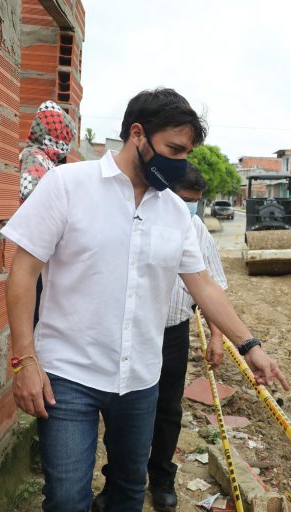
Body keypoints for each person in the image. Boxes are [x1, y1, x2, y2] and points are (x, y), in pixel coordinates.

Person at [2, 87, 288, 512]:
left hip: (138, 380)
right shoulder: (68, 186)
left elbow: (203, 285)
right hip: (67, 374)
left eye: (185, 153)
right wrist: (24, 360)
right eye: (173, 149)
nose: (179, 162)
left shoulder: (174, 212)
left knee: (128, 492)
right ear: (138, 134)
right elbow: (22, 272)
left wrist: (251, 346)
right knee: (65, 498)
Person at [93, 163, 227, 512]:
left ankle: (162, 478)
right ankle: (117, 479)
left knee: (168, 409)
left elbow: (214, 286)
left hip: (173, 333)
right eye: (185, 199)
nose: (189, 207)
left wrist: (217, 337)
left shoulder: (196, 228)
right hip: (130, 331)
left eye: (195, 201)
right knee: (121, 409)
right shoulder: (137, 219)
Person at [17, 100, 76, 328]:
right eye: (65, 135)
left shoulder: (47, 162)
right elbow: (31, 197)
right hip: (38, 249)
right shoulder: (35, 158)